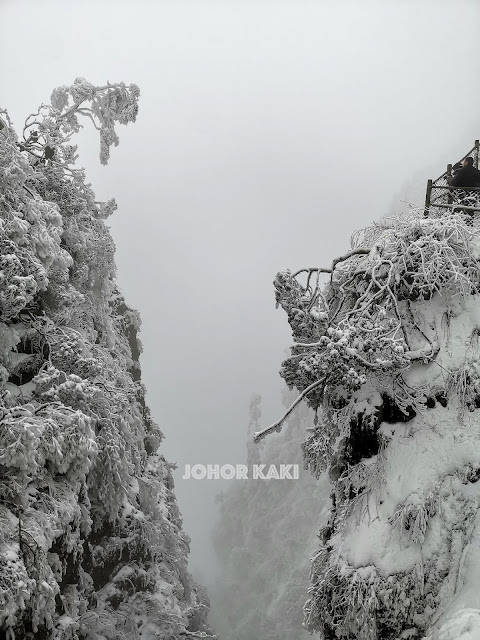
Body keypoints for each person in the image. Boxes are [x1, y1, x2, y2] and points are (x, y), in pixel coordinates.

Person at [448, 157, 480, 223]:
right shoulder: (477, 171)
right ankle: (469, 223)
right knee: (471, 209)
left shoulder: (462, 171)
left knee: (462, 209)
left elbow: (454, 183)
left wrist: (449, 178)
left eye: (464, 162)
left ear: (467, 162)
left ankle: (461, 223)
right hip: (474, 194)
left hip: (463, 194)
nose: (463, 163)